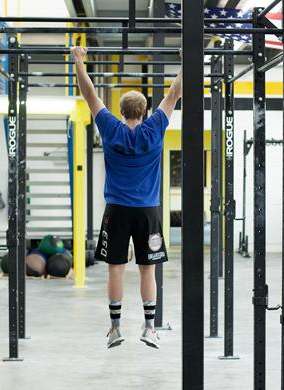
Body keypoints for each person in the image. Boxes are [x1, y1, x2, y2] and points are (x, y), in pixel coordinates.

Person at [70, 46, 182, 349]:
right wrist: (187, 60)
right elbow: (173, 94)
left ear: (121, 112)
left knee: (115, 268)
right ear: (144, 112)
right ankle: (148, 328)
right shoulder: (154, 129)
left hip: (117, 210)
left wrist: (79, 61)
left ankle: (116, 328)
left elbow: (90, 94)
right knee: (148, 269)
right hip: (147, 211)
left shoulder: (111, 129)